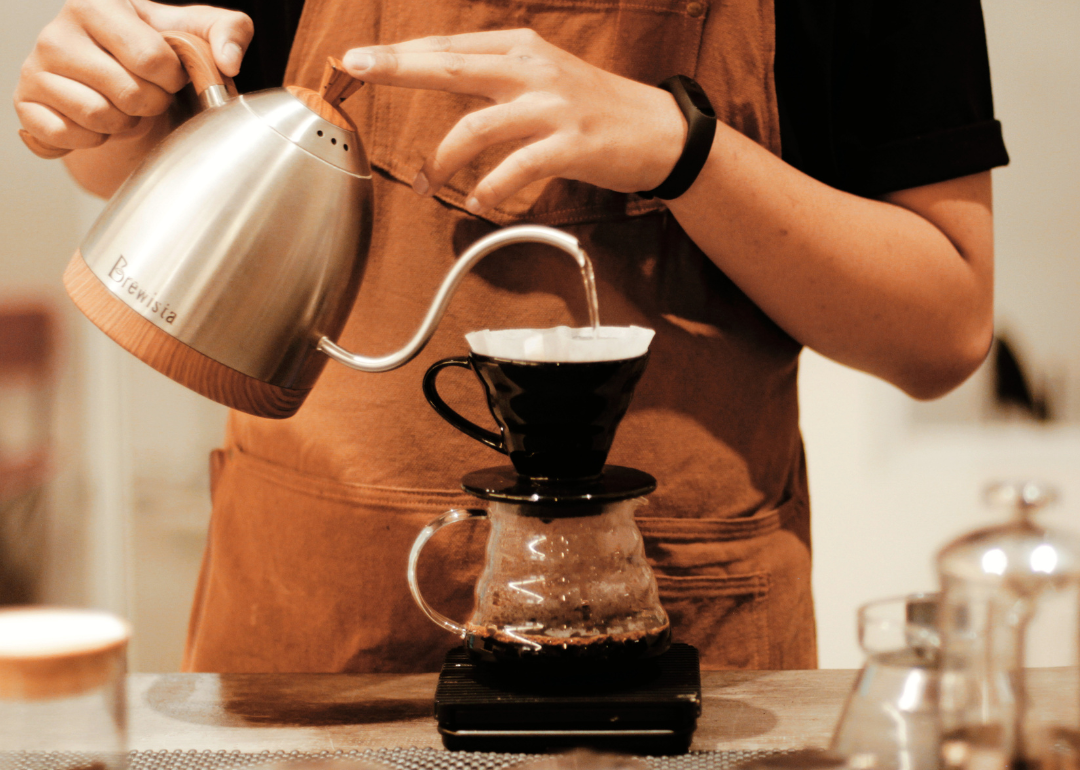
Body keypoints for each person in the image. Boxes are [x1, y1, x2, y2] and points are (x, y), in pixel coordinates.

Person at [14, 0, 1008, 671]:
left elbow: (942, 323)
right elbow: (153, 139)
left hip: (676, 643)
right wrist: (104, 100)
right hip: (308, 633)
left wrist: (683, 149)